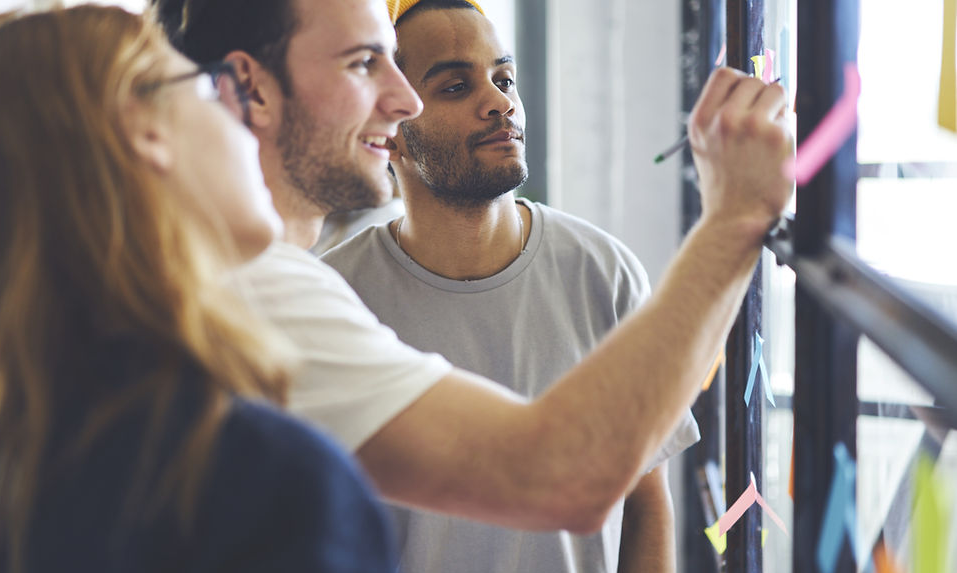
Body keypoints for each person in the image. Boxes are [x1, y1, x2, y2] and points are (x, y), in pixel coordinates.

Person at [0, 7, 540, 573]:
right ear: (147, 135)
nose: (240, 112)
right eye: (205, 87)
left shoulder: (19, 453)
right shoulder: (273, 478)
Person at [153, 0, 792, 535]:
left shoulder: (243, 279)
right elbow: (559, 474)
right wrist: (734, 217)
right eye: (363, 63)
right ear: (252, 88)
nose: (403, 101)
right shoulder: (261, 295)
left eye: (503, 79)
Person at [321, 2, 690, 573]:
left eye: (505, 79)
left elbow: (645, 502)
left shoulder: (604, 274)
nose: (499, 103)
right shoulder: (333, 297)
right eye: (456, 86)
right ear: (394, 126)